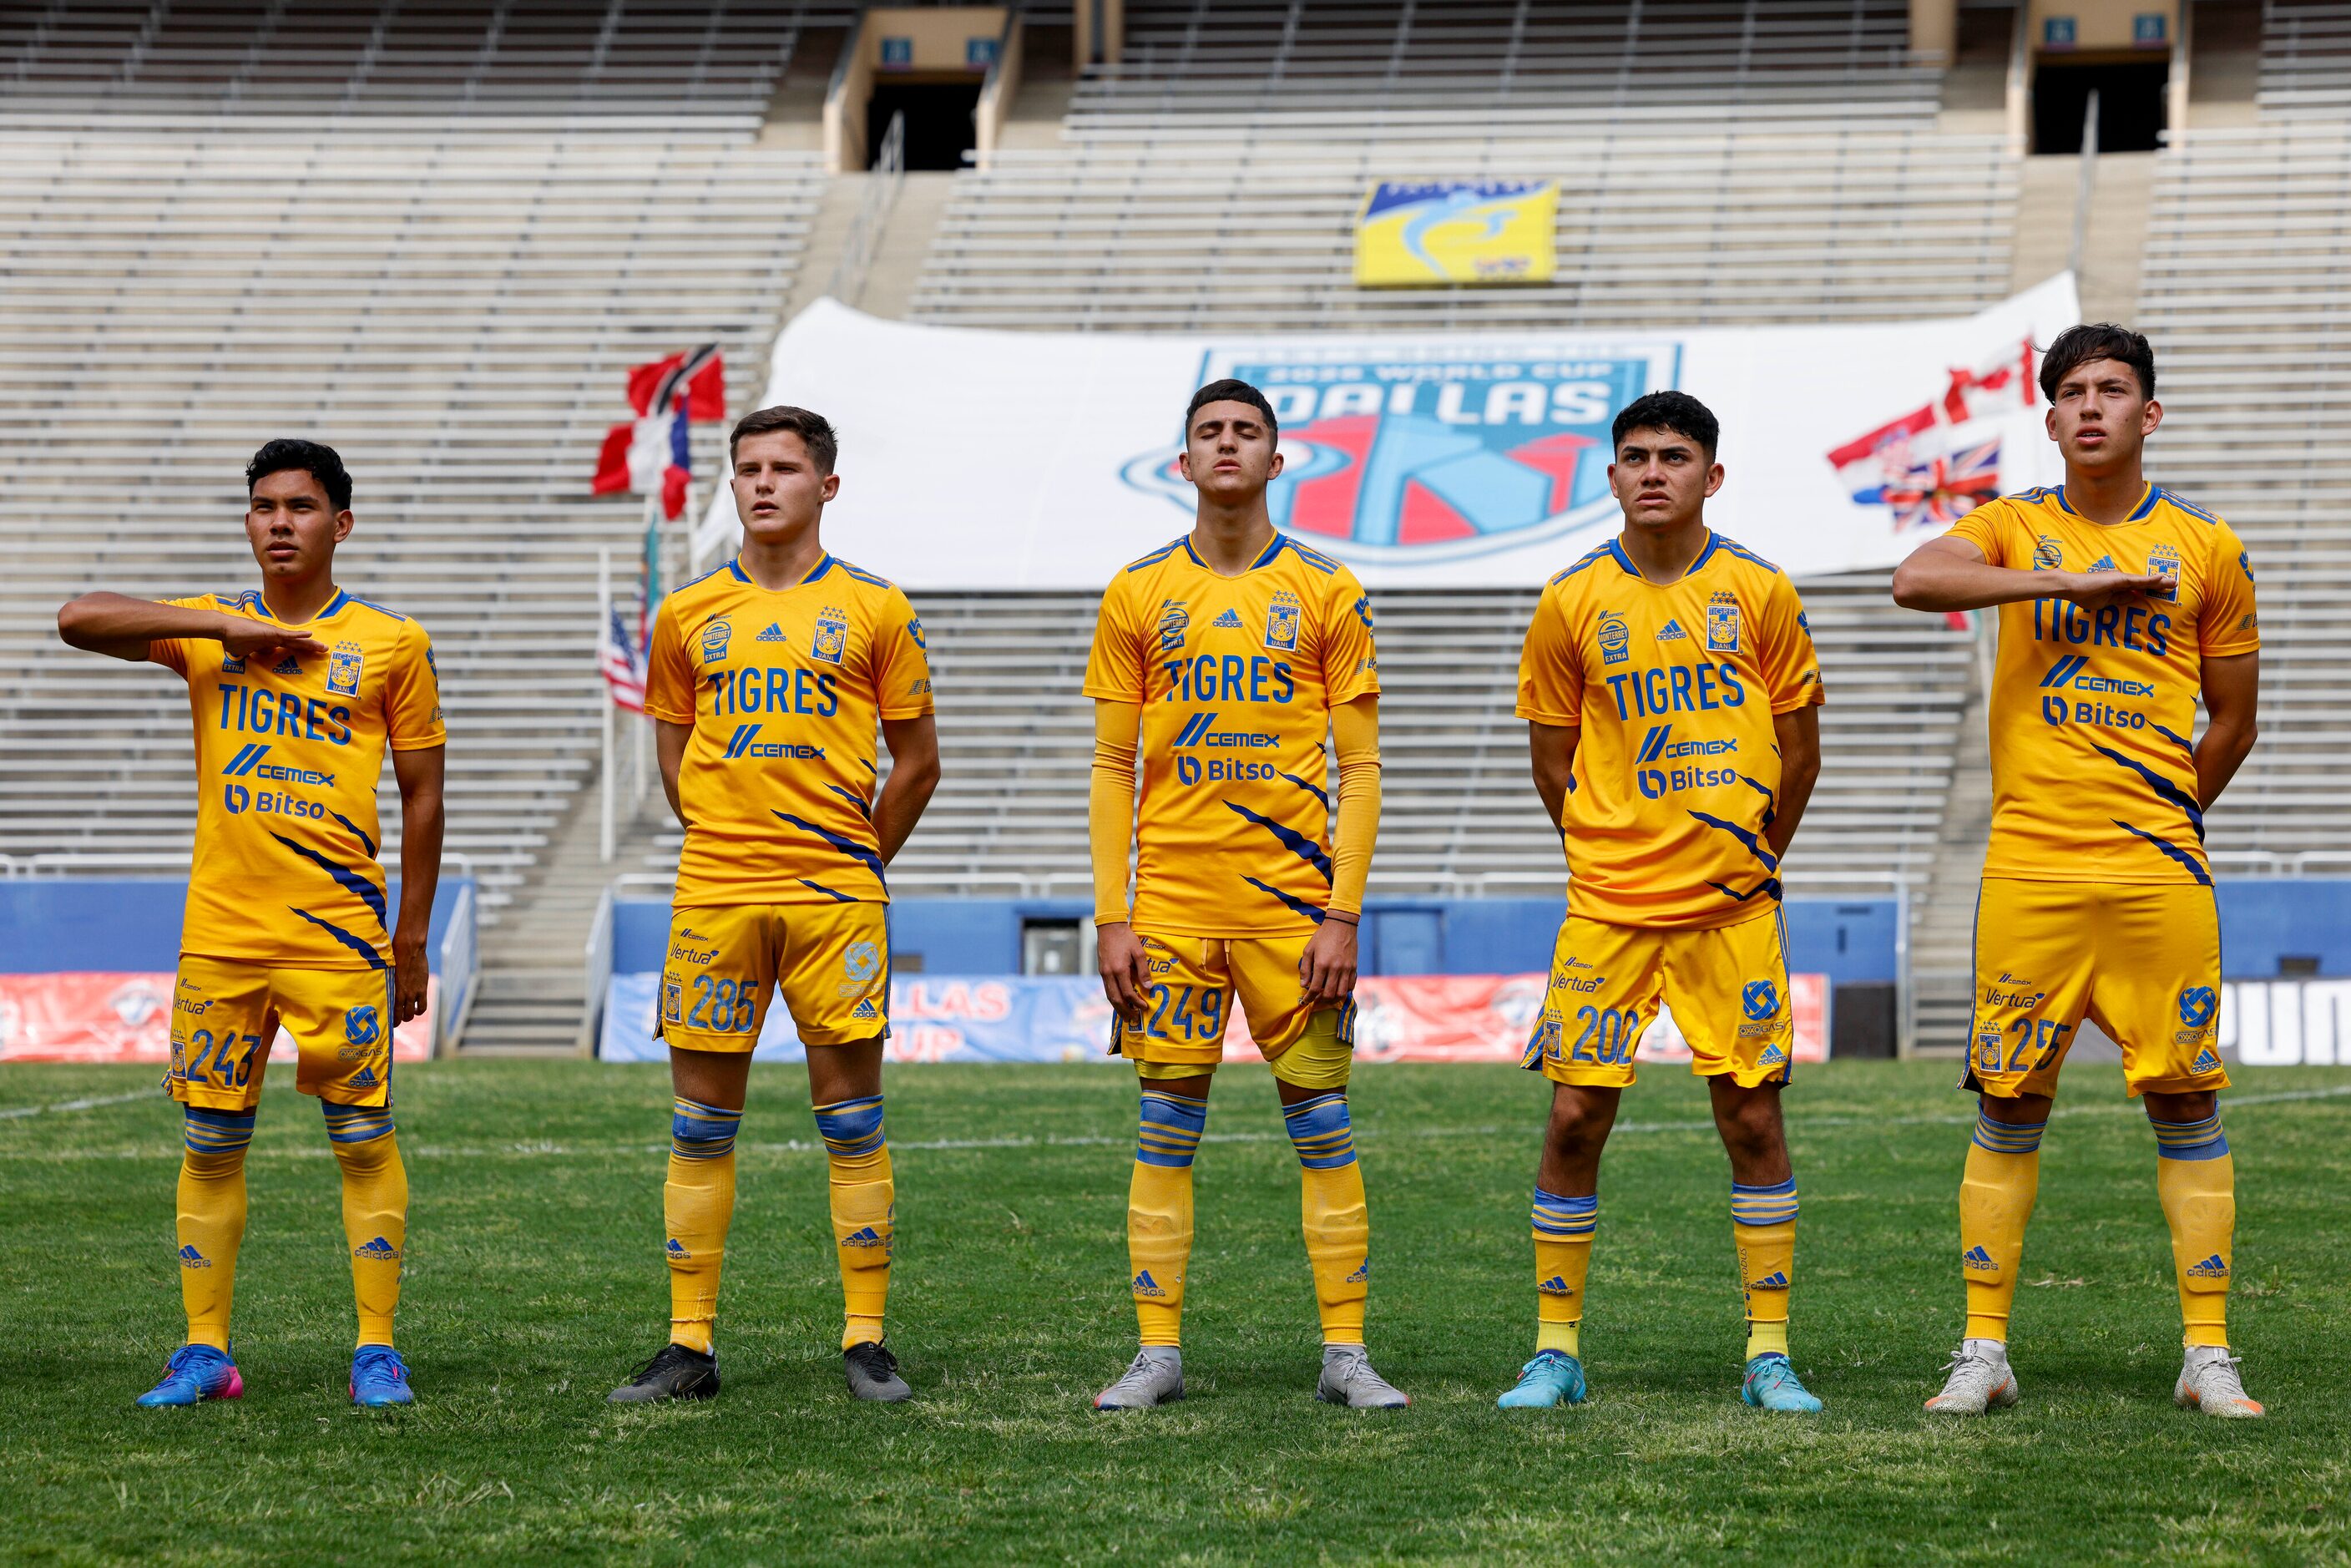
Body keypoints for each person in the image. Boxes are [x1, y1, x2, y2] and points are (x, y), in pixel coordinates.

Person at [1893, 323, 2263, 1419]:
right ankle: (1983, 1349)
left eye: (2113, 389)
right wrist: (2078, 586)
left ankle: (2206, 1353)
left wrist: (2164, 816)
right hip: (2031, 873)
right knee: (2011, 1105)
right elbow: (1917, 576)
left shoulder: (2207, 545)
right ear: (2050, 418)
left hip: (2155, 873)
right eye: (2071, 392)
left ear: (2151, 414)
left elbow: (2236, 719)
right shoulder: (2012, 528)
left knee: (2187, 1098)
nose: (2090, 405)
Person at [57, 439, 445, 1409]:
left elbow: (424, 796)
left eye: (302, 507)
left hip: (339, 937)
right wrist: (222, 631)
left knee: (360, 1138)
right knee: (210, 1141)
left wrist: (410, 942)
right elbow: (76, 618)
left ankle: (376, 1350)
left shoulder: (391, 642)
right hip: (222, 934)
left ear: (339, 524)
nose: (280, 522)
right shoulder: (207, 630)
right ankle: (205, 1353)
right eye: (265, 506)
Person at [1496, 390, 1828, 1414]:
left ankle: (1767, 1355)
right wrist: (1609, 852)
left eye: (1673, 457)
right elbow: (1552, 764)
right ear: (1610, 477)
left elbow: (1800, 755)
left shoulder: (1760, 592)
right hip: (1608, 911)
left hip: (1731, 910)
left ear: (1709, 477)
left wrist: (1744, 859)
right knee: (1571, 1117)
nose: (1652, 472)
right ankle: (1555, 1352)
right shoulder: (1568, 602)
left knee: (1751, 1120)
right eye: (1633, 456)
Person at [608, 405, 939, 1406]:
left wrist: (847, 860)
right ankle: (688, 1346)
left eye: (784, 469)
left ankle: (867, 1340)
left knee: (850, 1122)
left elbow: (918, 764)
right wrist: (727, 835)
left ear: (824, 487)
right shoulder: (687, 613)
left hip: (832, 897)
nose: (762, 484)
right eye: (747, 468)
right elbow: (674, 755)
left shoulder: (877, 608)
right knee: (701, 1125)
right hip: (716, 891)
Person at [1083, 379, 1401, 1411]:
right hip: (1170, 915)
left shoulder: (1324, 588)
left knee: (1322, 1127)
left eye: (1245, 432)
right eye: (1208, 433)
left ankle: (1345, 1355)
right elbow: (1109, 765)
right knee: (1164, 1126)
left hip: (1292, 917)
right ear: (1183, 464)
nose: (1227, 445)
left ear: (1276, 458)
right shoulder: (1136, 592)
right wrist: (1112, 915)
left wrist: (1341, 913)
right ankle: (1157, 1353)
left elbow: (1360, 768)